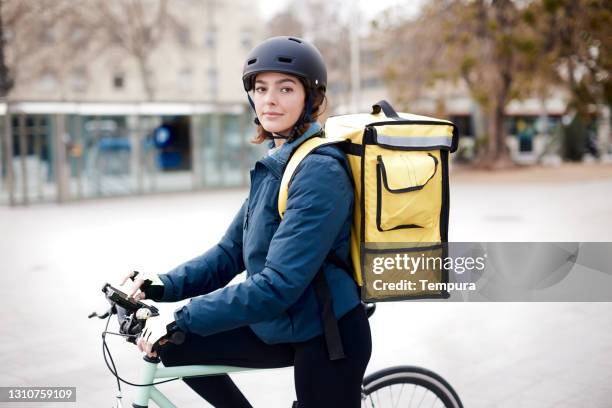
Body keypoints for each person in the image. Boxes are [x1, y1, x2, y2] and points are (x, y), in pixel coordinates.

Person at [122, 36, 372, 408]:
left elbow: (277, 284)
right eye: (261, 87)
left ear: (311, 98)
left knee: (180, 331)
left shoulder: (319, 172)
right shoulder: (279, 163)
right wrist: (159, 285)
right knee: (174, 346)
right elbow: (230, 252)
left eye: (285, 88)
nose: (269, 99)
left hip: (326, 335)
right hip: (279, 321)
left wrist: (183, 317)